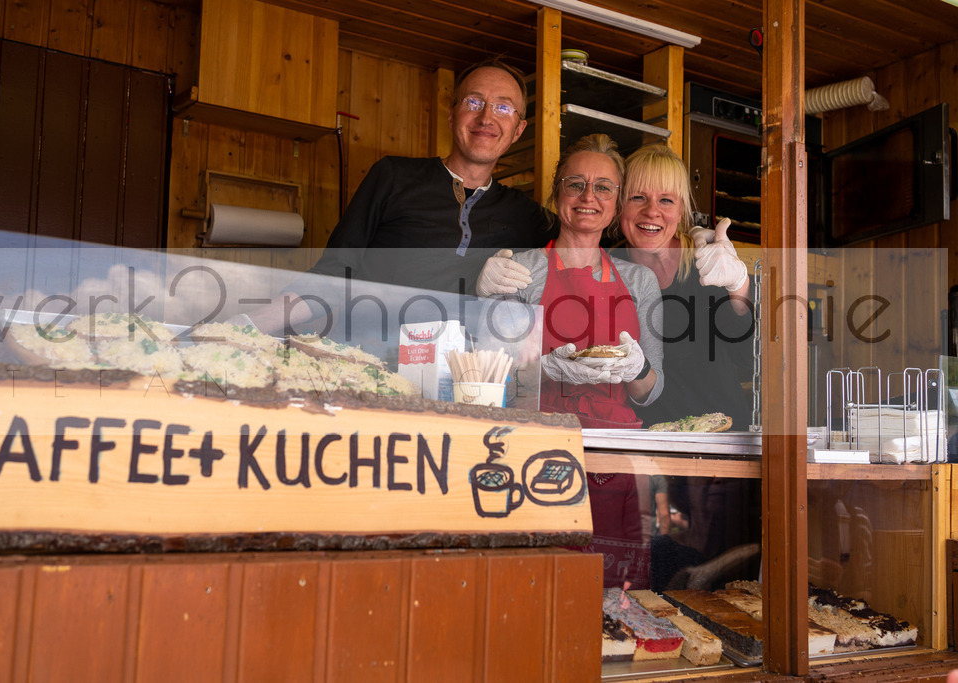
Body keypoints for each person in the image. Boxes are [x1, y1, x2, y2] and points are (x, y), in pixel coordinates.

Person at [236, 57, 556, 336]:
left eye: (503, 107)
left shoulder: (526, 217)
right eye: (473, 102)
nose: (486, 117)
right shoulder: (393, 176)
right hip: (365, 361)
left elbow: (587, 248)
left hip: (454, 378)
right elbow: (335, 274)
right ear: (451, 114)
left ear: (518, 130)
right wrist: (246, 325)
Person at [481, 133, 665, 589]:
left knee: (612, 597)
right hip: (535, 452)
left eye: (604, 187)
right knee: (534, 584)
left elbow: (651, 391)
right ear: (556, 193)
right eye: (575, 183)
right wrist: (540, 366)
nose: (588, 197)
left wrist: (636, 368)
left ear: (617, 201)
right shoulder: (520, 269)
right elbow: (485, 376)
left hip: (615, 460)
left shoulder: (640, 281)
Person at [610, 143, 760, 591]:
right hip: (642, 461)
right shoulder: (608, 269)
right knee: (645, 584)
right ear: (620, 206)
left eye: (666, 200)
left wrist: (739, 286)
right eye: (637, 197)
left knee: (719, 588)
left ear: (683, 210)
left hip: (717, 460)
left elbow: (750, 353)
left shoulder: (709, 264)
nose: (650, 211)